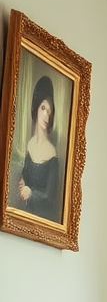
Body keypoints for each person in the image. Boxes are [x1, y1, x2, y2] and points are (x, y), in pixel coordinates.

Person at [14, 75, 62, 221]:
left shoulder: (52, 154)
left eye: (49, 110)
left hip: (43, 219)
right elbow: (25, 178)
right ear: (36, 108)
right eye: (43, 108)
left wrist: (30, 193)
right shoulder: (29, 144)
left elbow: (50, 199)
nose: (46, 115)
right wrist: (23, 183)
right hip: (26, 215)